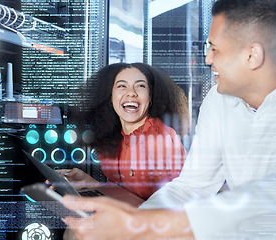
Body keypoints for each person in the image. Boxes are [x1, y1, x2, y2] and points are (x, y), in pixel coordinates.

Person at [61, 0, 276, 239]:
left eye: (215, 49)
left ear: (252, 55)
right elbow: (192, 186)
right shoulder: (219, 100)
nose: (207, 59)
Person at [58, 62, 189, 202]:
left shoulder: (159, 136)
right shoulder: (113, 139)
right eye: (122, 86)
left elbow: (167, 206)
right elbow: (124, 192)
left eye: (140, 86)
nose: (131, 93)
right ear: (110, 97)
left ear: (150, 97)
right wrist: (88, 183)